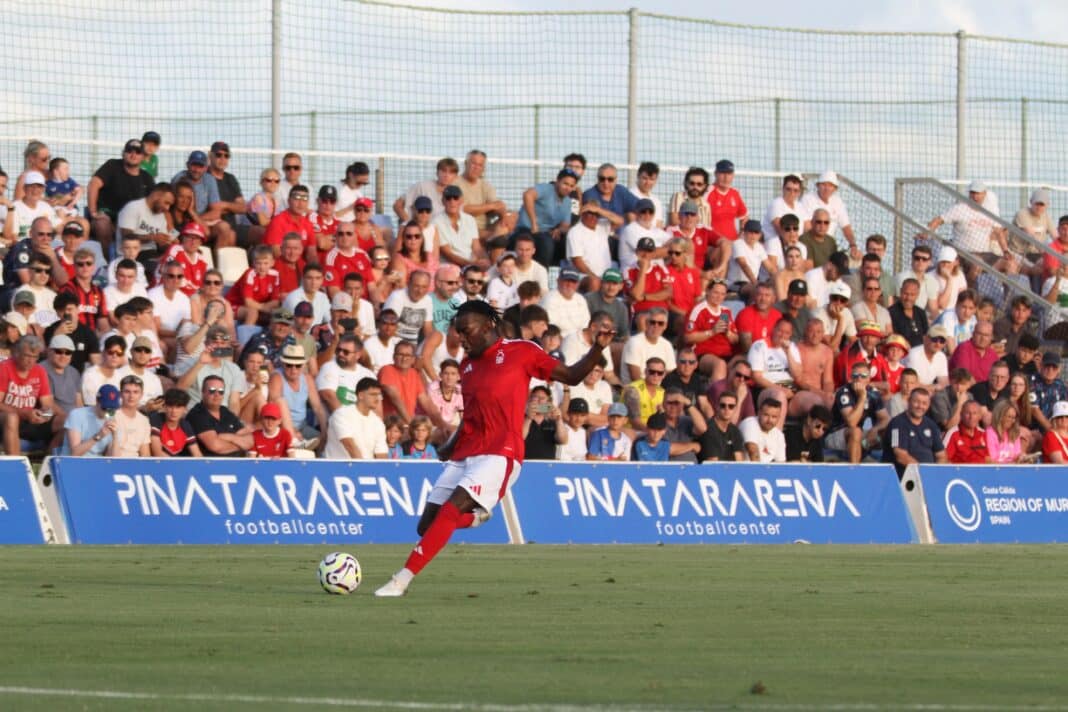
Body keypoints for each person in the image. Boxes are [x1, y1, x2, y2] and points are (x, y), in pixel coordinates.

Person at [374, 299, 614, 596]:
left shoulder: (522, 351)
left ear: (488, 326)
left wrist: (598, 349)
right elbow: (470, 417)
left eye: (466, 331)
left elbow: (572, 375)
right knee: (427, 527)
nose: (461, 338)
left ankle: (400, 581)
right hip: (467, 453)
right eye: (458, 333)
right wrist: (450, 446)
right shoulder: (467, 365)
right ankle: (474, 518)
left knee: (449, 512)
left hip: (502, 452)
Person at [0, 335, 56, 454]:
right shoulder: (4, 368)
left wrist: (44, 414)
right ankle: (15, 465)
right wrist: (23, 413)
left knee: (65, 420)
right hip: (6, 419)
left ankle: (47, 460)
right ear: (17, 353)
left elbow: (48, 405)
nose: (30, 361)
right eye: (27, 356)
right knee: (12, 417)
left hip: (30, 419)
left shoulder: (40, 371)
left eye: (34, 357)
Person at [825, 363, 889, 463]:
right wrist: (862, 397)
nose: (859, 379)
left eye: (863, 376)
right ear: (851, 378)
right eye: (855, 376)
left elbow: (885, 418)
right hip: (836, 434)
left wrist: (875, 429)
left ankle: (886, 467)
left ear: (869, 379)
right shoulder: (843, 392)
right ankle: (854, 470)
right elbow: (851, 422)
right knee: (856, 431)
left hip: (860, 435)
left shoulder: (873, 392)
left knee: (885, 430)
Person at [882, 388, 947, 479]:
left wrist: (935, 474)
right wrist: (923, 473)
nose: (920, 406)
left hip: (929, 478)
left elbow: (941, 455)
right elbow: (901, 456)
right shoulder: (897, 423)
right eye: (916, 402)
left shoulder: (932, 425)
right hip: (903, 479)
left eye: (924, 403)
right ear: (908, 401)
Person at [186, 375, 254, 457]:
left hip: (235, 463)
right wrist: (241, 445)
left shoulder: (225, 411)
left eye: (221, 391)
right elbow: (215, 446)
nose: (217, 394)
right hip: (210, 466)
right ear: (203, 392)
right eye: (212, 390)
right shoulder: (196, 414)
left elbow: (250, 439)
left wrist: (230, 437)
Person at [60, 384, 120, 456]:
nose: (108, 413)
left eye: (112, 410)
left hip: (96, 464)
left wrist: (115, 436)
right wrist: (99, 436)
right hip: (73, 463)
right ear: (97, 402)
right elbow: (75, 453)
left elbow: (114, 459)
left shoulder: (112, 420)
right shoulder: (77, 415)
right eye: (105, 408)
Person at [149, 388, 203, 457]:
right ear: (164, 407)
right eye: (170, 406)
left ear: (185, 409)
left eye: (178, 407)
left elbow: (197, 454)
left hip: (175, 464)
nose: (174, 411)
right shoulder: (156, 419)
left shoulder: (185, 425)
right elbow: (157, 453)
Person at [696, 391, 746, 463]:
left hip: (730, 471)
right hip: (708, 472)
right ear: (717, 407)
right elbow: (713, 464)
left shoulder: (735, 430)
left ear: (735, 409)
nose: (726, 409)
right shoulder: (708, 428)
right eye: (723, 405)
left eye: (731, 406)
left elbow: (739, 461)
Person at [107, 375, 151, 457]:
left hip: (136, 466)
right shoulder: (110, 414)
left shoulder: (144, 420)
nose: (131, 396)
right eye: (127, 392)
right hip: (112, 462)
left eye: (136, 392)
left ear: (141, 395)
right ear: (120, 394)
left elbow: (145, 454)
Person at [522, 386, 565, 460]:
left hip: (547, 464)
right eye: (535, 397)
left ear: (548, 402)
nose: (539, 401)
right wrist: (529, 418)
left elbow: (563, 440)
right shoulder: (521, 417)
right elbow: (520, 437)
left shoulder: (552, 419)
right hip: (525, 462)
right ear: (530, 399)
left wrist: (559, 420)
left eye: (542, 398)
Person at [942, 400, 990, 464]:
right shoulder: (953, 433)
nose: (971, 417)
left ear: (980, 416)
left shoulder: (984, 434)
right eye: (967, 413)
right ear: (961, 415)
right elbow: (943, 460)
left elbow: (988, 459)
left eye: (975, 413)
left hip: (982, 472)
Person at [740, 398, 786, 463]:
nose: (769, 420)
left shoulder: (779, 435)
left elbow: (781, 463)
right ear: (759, 413)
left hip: (767, 471)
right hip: (746, 470)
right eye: (766, 415)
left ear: (779, 418)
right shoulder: (750, 423)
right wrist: (760, 472)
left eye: (774, 417)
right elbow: (753, 452)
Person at [986, 399, 1029, 464]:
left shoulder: (1014, 433)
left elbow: (1017, 455)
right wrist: (1010, 464)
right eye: (1009, 417)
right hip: (997, 471)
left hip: (1013, 470)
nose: (1012, 421)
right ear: (1000, 415)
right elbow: (991, 461)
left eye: (1013, 417)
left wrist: (1022, 457)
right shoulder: (990, 433)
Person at [556, 398, 590, 462]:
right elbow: (558, 458)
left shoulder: (583, 432)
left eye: (582, 415)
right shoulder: (563, 430)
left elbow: (583, 456)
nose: (578, 419)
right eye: (575, 414)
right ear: (568, 414)